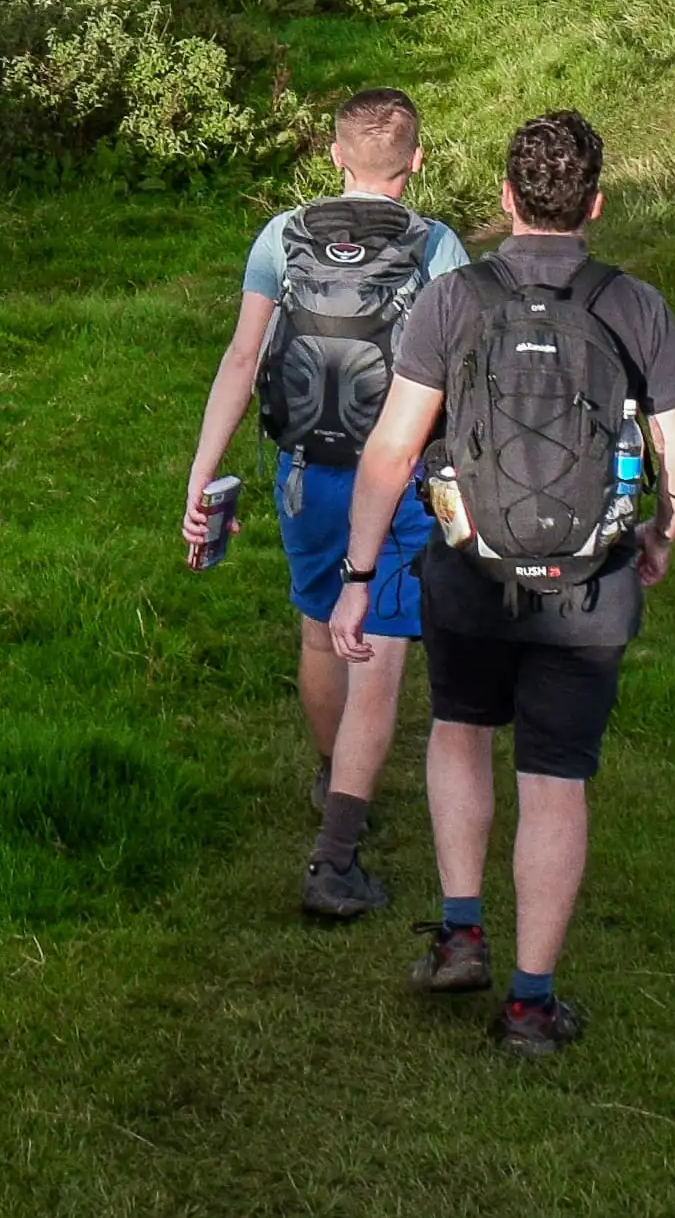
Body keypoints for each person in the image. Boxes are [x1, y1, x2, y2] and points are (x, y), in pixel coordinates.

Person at [326, 105, 675, 1054]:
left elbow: (392, 449)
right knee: (555, 779)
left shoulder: (455, 301)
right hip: (590, 586)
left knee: (459, 732)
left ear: (503, 199)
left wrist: (360, 575)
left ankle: (461, 932)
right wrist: (658, 534)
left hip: (466, 572)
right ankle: (532, 1003)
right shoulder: (636, 305)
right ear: (597, 205)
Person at [181, 89, 472, 925]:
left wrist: (202, 473)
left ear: (334, 157)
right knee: (377, 653)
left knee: (319, 628)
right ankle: (335, 858)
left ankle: (329, 772)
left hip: (306, 471)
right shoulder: (438, 246)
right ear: (415, 162)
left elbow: (244, 357)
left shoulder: (282, 235)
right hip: (401, 475)